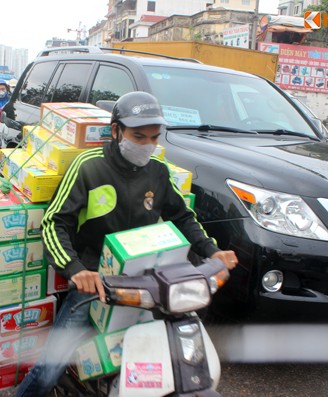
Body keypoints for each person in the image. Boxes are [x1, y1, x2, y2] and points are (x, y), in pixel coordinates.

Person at [16, 92, 238, 396]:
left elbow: (183, 216)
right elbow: (55, 222)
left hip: (148, 283)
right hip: (96, 282)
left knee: (172, 356)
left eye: (153, 138)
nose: (146, 145)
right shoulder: (88, 166)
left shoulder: (158, 171)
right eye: (138, 136)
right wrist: (76, 269)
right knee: (49, 368)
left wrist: (212, 251)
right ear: (116, 130)